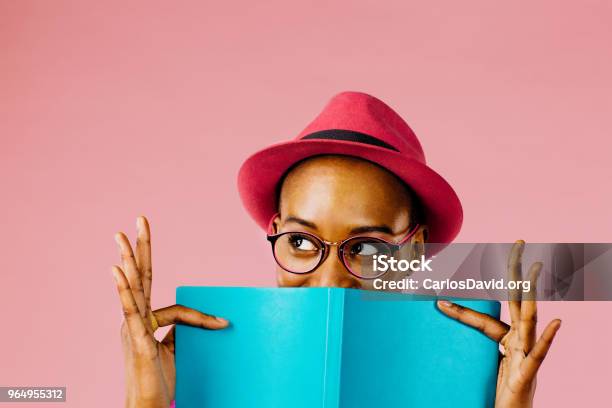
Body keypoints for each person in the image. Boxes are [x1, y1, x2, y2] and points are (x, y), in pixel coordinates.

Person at [111, 92, 561, 408]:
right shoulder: (197, 381)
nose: (330, 282)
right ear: (275, 232)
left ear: (417, 247)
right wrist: (146, 401)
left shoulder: (470, 385)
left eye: (366, 246)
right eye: (301, 242)